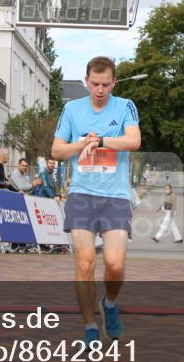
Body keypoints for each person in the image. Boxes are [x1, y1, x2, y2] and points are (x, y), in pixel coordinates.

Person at [52, 55, 141, 346]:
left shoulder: (125, 106)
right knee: (86, 262)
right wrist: (82, 144)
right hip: (82, 193)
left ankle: (110, 304)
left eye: (105, 84)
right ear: (86, 81)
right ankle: (90, 326)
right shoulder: (72, 109)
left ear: (114, 82)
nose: (100, 89)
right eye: (95, 84)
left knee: (114, 264)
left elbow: (133, 141)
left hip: (115, 195)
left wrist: (100, 141)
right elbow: (56, 150)